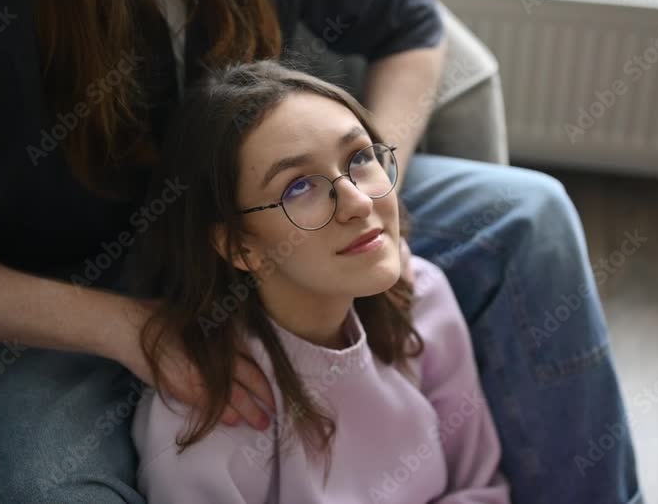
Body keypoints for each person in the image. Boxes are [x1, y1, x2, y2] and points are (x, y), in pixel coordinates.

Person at [0, 0, 641, 502]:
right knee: (50, 485)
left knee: (529, 212)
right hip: (69, 289)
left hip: (280, 219)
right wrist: (122, 326)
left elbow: (412, 30)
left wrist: (376, 180)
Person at [128, 59, 510, 503]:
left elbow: (481, 489)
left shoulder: (422, 295)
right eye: (298, 187)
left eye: (360, 158)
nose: (358, 202)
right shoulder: (204, 417)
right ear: (239, 247)